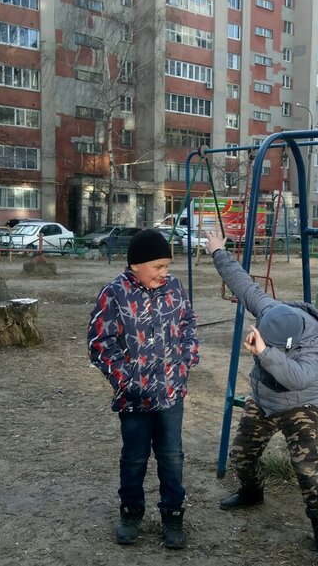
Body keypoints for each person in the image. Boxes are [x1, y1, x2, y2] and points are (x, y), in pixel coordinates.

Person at [204, 229, 318, 562]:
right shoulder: (271, 310)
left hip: (301, 404)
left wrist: (264, 352)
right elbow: (242, 283)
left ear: (289, 344)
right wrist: (218, 252)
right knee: (241, 454)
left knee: (306, 466)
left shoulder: (312, 347)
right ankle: (252, 492)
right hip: (264, 399)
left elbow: (298, 378)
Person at [87, 229, 200, 549]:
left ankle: (173, 515)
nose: (165, 273)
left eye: (167, 266)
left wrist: (186, 359)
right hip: (134, 399)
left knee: (172, 456)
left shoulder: (174, 288)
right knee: (134, 457)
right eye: (158, 266)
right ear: (136, 265)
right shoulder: (114, 294)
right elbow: (100, 343)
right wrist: (127, 381)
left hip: (170, 394)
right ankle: (131, 511)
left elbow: (189, 324)